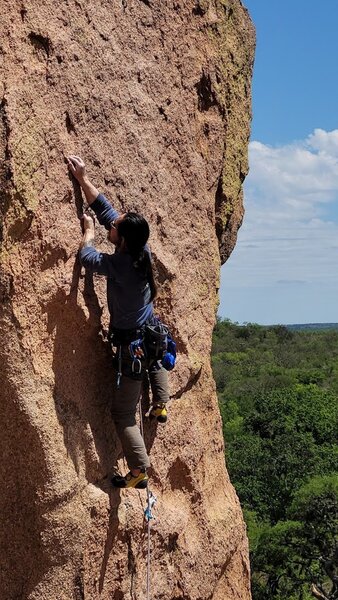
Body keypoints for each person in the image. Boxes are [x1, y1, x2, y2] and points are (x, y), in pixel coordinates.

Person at [67, 155, 169, 489]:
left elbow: (87, 256)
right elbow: (107, 210)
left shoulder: (120, 265)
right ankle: (160, 404)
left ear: (120, 239)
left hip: (131, 348)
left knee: (123, 414)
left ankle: (139, 469)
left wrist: (87, 233)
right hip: (149, 335)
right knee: (156, 357)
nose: (110, 225)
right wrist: (82, 180)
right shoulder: (141, 250)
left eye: (114, 229)